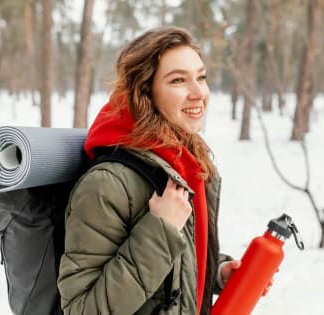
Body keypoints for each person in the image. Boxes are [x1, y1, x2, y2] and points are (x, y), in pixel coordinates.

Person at [57, 26, 242, 315]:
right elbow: (83, 309)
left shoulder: (186, 162)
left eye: (201, 77)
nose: (198, 93)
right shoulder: (107, 184)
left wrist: (217, 272)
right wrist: (161, 230)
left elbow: (167, 268)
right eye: (178, 80)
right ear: (145, 90)